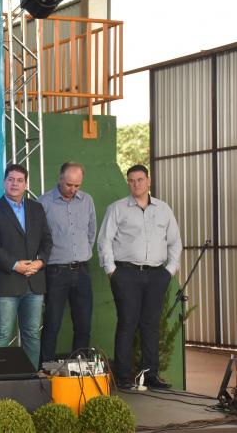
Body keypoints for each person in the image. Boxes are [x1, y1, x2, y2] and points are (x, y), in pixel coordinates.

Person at [97, 164, 182, 390]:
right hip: (126, 274)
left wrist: (169, 271)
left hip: (157, 275)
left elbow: (175, 242)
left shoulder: (163, 209)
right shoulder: (117, 209)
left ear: (148, 181)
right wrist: (111, 271)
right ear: (128, 183)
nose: (136, 184)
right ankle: (124, 376)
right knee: (127, 323)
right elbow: (104, 240)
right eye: (132, 180)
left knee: (151, 325)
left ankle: (150, 375)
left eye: (140, 180)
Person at [0, 163, 52, 368]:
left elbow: (47, 240)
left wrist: (40, 262)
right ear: (4, 182)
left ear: (26, 184)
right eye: (11, 179)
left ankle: (30, 377)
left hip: (34, 281)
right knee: (2, 333)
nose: (15, 184)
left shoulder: (37, 208)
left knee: (32, 334)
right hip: (5, 281)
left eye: (20, 180)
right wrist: (14, 265)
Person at [38, 162, 96, 364]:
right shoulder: (43, 202)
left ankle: (80, 368)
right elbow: (39, 238)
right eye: (69, 184)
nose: (73, 189)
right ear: (60, 179)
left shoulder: (87, 201)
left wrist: (82, 253)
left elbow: (91, 233)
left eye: (77, 185)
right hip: (55, 271)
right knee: (52, 324)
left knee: (83, 325)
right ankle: (45, 368)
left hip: (82, 270)